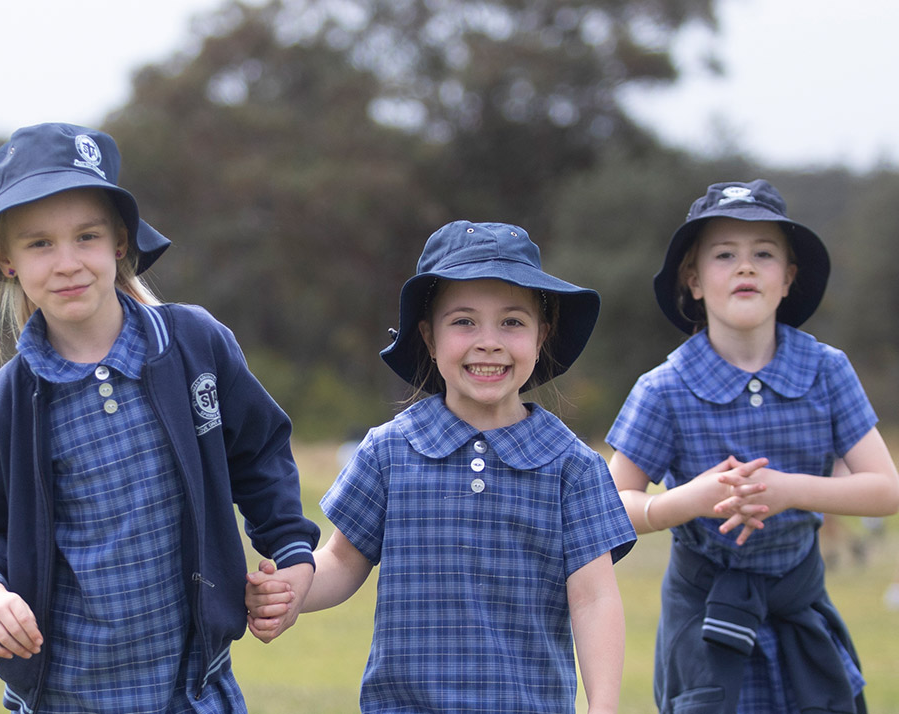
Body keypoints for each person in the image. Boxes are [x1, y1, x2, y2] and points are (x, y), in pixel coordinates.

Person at [0, 123, 319, 713]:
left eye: (86, 236)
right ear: (6, 259)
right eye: (39, 244)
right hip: (64, 696)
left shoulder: (195, 344)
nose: (67, 263)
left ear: (119, 242)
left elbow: (260, 454)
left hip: (194, 690)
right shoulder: (8, 400)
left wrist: (293, 556)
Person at [248, 221, 637, 712]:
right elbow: (342, 562)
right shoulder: (389, 451)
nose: (489, 342)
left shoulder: (572, 467)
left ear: (542, 336)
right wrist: (290, 590)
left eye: (512, 322)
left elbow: (594, 599)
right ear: (429, 338)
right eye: (464, 322)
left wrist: (603, 707)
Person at [604, 180, 898, 712]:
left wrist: (788, 490)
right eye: (724, 254)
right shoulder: (664, 388)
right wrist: (688, 501)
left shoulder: (827, 370)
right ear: (693, 280)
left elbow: (885, 490)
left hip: (801, 611)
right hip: (703, 624)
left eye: (763, 253)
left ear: (788, 278)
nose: (745, 266)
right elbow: (607, 509)